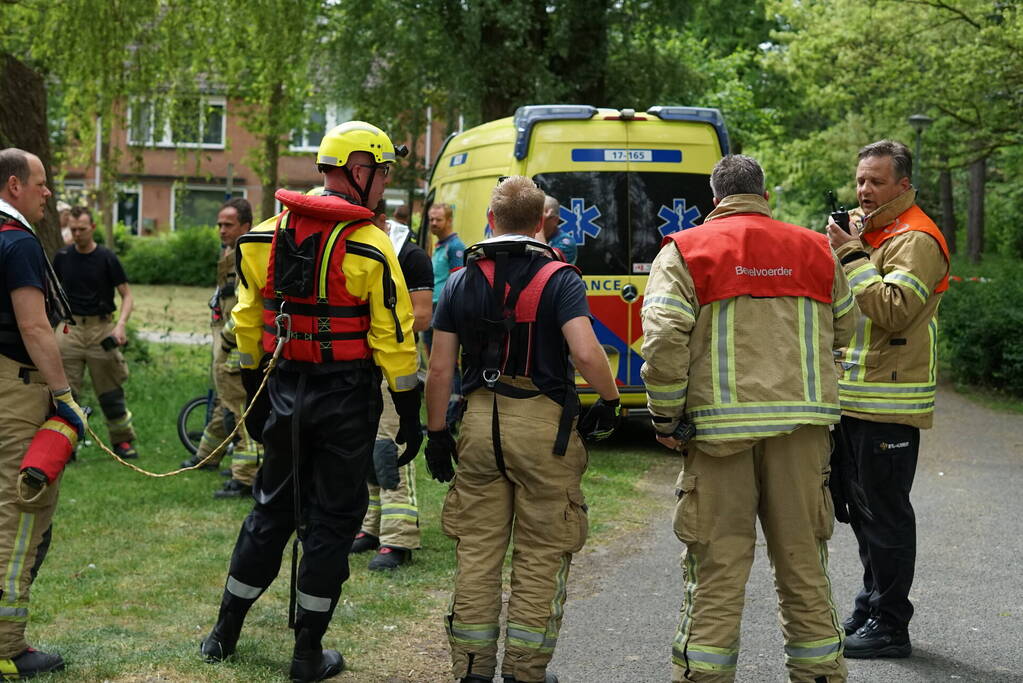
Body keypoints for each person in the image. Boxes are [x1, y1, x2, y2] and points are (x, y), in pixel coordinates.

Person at [199, 121, 422, 683]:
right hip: (345, 397)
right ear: (359, 171)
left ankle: (222, 634)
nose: (387, 182)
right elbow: (394, 337)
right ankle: (306, 656)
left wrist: (255, 393)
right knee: (331, 521)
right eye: (384, 170)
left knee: (271, 508)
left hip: (282, 389)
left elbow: (246, 322)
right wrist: (411, 411)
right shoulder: (371, 246)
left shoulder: (261, 237)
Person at [641, 154, 857, 683]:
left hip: (719, 439)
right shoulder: (817, 249)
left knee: (716, 570)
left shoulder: (686, 251)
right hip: (803, 437)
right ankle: (821, 675)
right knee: (805, 565)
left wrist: (667, 418)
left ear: (714, 199)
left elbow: (664, 339)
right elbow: (847, 329)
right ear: (765, 195)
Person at [425, 175, 621, 683]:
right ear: (542, 224)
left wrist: (437, 432)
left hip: (477, 422)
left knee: (478, 552)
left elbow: (441, 368)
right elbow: (583, 351)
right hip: (541, 427)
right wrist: (609, 398)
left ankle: (471, 669)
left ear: (490, 221)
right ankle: (523, 672)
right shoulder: (560, 278)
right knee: (540, 553)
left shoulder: (462, 279)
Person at [826, 140, 950, 659]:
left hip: (889, 401)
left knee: (887, 515)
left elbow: (893, 310)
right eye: (860, 180)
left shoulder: (916, 239)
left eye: (876, 181)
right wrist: (843, 246)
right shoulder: (872, 231)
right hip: (855, 398)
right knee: (860, 511)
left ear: (903, 185)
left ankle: (891, 625)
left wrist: (851, 253)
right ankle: (872, 603)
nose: (864, 190)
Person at [0, 148, 84, 678]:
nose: (47, 193)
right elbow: (34, 328)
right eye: (41, 183)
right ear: (13, 186)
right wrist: (64, 396)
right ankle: (7, 645)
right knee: (19, 514)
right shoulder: (19, 243)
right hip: (18, 391)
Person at [350, 202, 433, 569]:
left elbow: (423, 317)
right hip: (358, 366)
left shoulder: (410, 256)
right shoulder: (358, 253)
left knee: (390, 451)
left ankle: (399, 538)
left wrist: (377, 326)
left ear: (382, 221)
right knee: (365, 450)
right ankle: (372, 527)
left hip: (393, 365)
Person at [180, 197, 263, 500]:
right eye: (219, 225)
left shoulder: (249, 256)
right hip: (225, 342)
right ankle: (206, 456)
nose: (221, 230)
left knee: (237, 412)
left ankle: (245, 478)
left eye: (228, 225)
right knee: (222, 405)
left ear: (246, 226)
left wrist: (228, 343)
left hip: (236, 347)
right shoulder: (230, 253)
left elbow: (247, 307)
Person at [52, 206, 138, 459]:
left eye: (82, 229)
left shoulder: (107, 258)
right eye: (73, 229)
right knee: (66, 392)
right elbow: (51, 292)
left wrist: (120, 325)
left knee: (110, 392)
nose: (77, 234)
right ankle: (67, 444)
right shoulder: (62, 257)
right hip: (71, 329)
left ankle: (122, 442)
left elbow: (127, 295)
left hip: (101, 329)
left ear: (92, 228)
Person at [536, 195, 576, 264]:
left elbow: (545, 262)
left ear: (555, 220)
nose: (535, 220)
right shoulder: (531, 235)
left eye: (540, 217)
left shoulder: (566, 242)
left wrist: (538, 222)